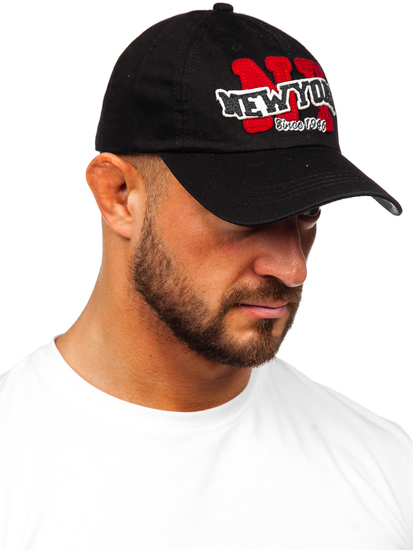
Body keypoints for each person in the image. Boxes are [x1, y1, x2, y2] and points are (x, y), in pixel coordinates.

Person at [1, 4, 412, 549]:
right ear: (119, 196)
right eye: (247, 212)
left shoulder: (386, 468)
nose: (294, 269)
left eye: (308, 212)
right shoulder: (13, 472)